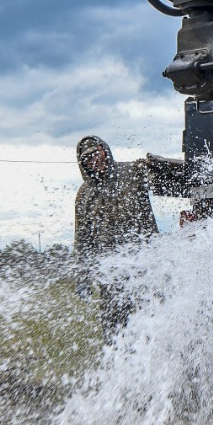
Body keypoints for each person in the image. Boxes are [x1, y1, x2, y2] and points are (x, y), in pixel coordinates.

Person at [73, 136, 162, 337]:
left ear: (105, 151)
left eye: (97, 153)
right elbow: (82, 240)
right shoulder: (85, 195)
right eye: (88, 158)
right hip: (111, 271)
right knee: (113, 329)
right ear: (83, 164)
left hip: (144, 264)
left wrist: (155, 164)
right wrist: (83, 277)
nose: (95, 160)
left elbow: (163, 180)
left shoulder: (133, 172)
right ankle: (117, 364)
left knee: (150, 322)